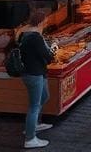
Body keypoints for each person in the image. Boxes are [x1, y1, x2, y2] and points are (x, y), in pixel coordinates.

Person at [17, 9, 56, 149]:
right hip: (34, 73)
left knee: (44, 96)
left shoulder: (23, 35)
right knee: (34, 106)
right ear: (40, 21)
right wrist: (51, 51)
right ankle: (30, 138)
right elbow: (47, 56)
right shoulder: (35, 37)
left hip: (31, 72)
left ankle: (35, 124)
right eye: (46, 20)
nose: (47, 22)